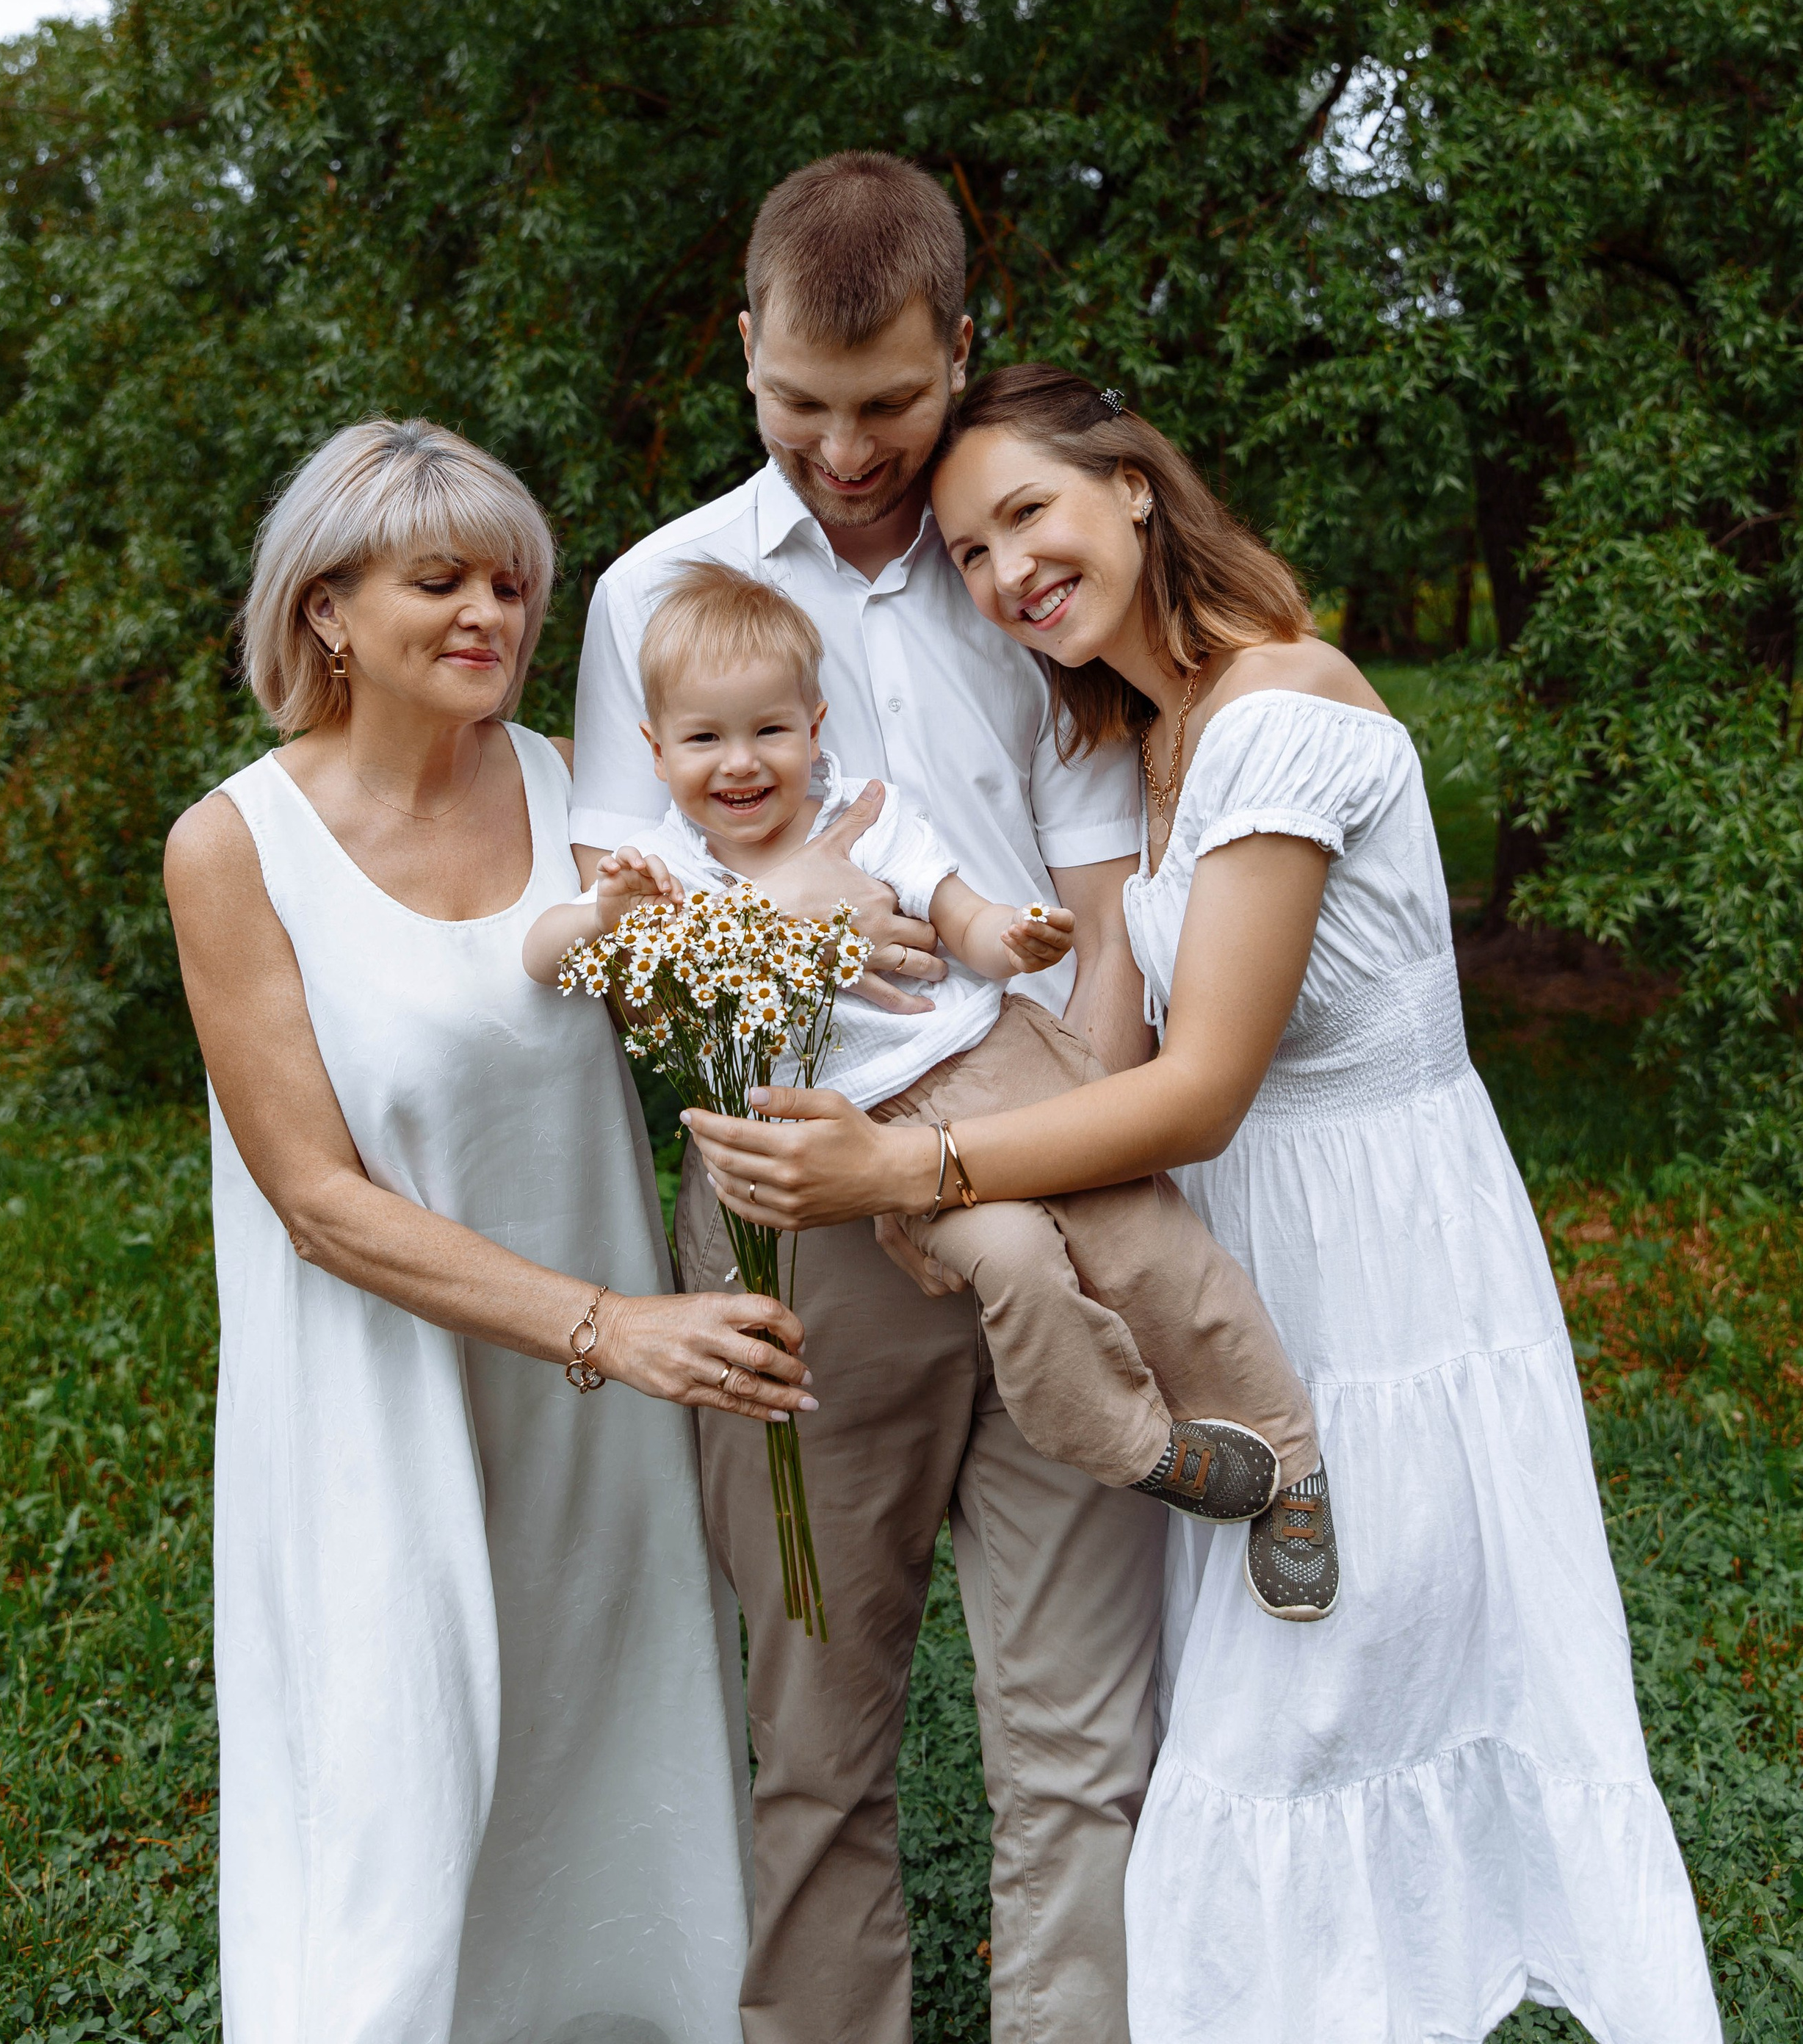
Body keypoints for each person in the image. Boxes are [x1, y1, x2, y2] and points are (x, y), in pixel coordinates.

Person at [685, 365, 1722, 2044]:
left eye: (1028, 512)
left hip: (1378, 1266)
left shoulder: (1279, 707)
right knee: (1270, 1718)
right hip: (1248, 1246)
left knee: (1307, 1723)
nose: (1005, 570)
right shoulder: (1154, 735)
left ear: (1136, 488)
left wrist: (913, 1169)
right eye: (964, 552)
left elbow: (1200, 1086)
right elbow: (1117, 1058)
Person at [569, 154, 1157, 2044]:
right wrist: (805, 920)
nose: (843, 449)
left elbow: (1098, 904)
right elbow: (621, 952)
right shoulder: (659, 593)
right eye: (797, 406)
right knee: (815, 1743)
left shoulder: (1023, 563)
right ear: (741, 349)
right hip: (798, 1221)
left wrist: (1101, 1147)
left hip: (1042, 1169)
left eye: (890, 404)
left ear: (960, 352)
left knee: (1080, 1736)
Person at [165, 417, 816, 2044]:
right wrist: (619, 1328)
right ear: (325, 611)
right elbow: (317, 1203)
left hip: (595, 1427)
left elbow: (681, 992)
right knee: (397, 1801)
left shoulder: (567, 783)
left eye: (513, 584)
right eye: (437, 580)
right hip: (386, 1409)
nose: (492, 616)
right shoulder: (235, 848)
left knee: (607, 1778)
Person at [538, 556, 1323, 1585]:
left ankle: (1288, 1456)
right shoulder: (667, 872)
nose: (740, 763)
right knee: (1018, 1264)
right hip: (878, 1136)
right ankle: (1142, 1451)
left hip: (997, 1063)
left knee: (1148, 1247)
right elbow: (546, 954)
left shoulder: (864, 811)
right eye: (703, 739)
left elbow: (960, 916)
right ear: (655, 750)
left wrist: (1011, 936)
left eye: (769, 730)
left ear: (815, 726)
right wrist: (608, 912)